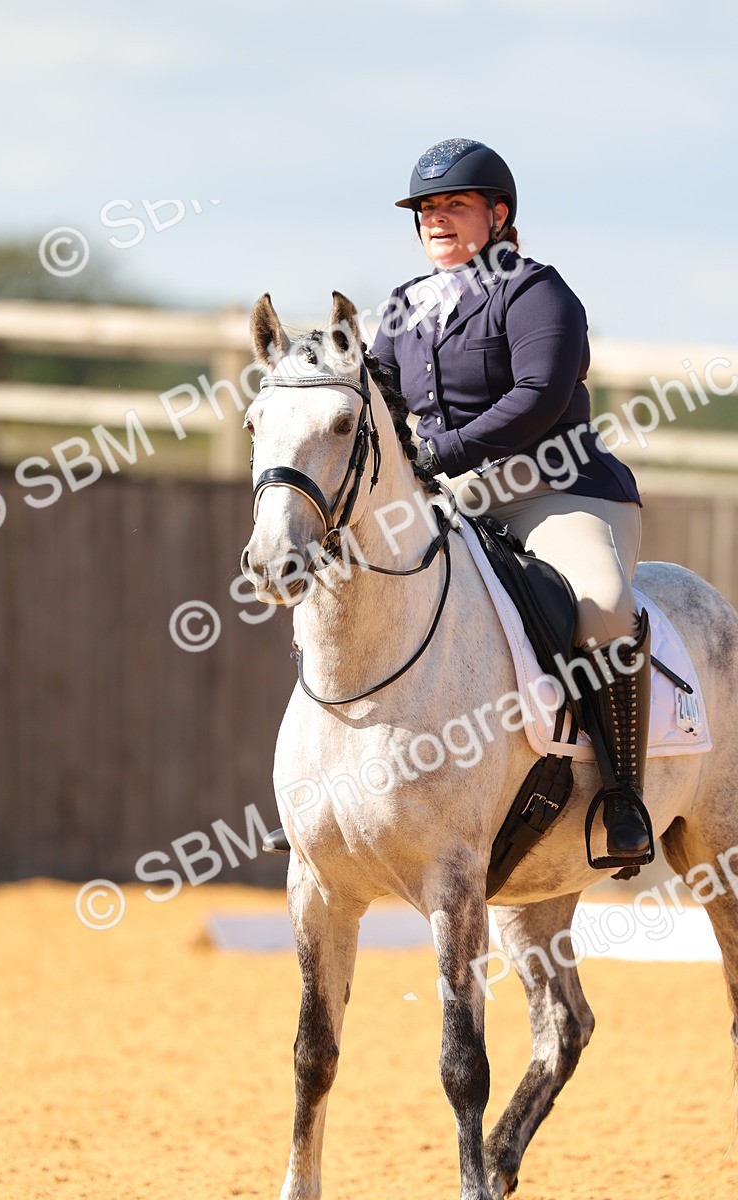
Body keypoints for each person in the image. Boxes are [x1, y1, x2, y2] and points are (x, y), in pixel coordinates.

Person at [262, 137, 651, 863]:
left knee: (602, 604)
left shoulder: (537, 292)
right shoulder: (408, 304)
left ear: (498, 215)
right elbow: (380, 397)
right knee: (350, 584)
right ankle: (324, 788)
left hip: (556, 490)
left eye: (455, 205)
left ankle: (623, 792)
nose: (436, 219)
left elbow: (539, 396)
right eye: (427, 209)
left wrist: (441, 454)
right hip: (455, 496)